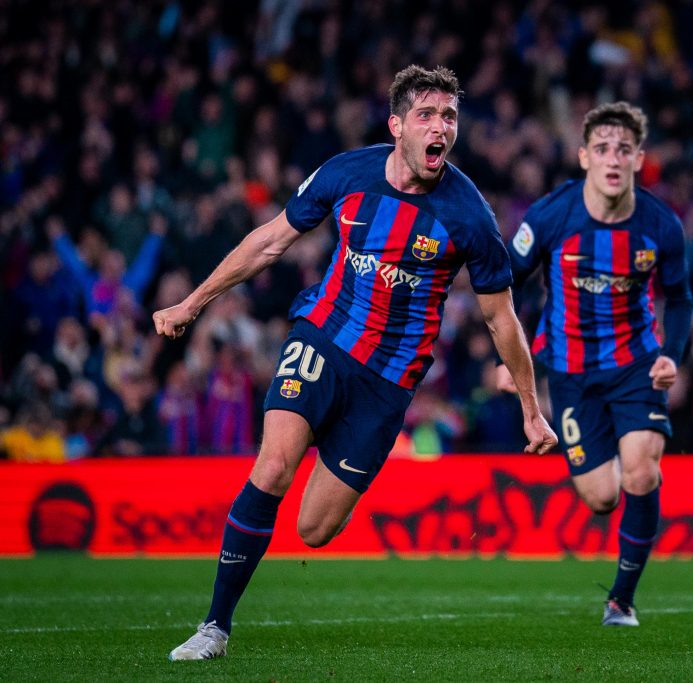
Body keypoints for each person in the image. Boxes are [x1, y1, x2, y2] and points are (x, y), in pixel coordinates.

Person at [154, 65, 557, 660]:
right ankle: (214, 627)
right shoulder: (347, 173)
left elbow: (502, 319)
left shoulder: (469, 215)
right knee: (273, 465)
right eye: (426, 114)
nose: (439, 125)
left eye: (448, 116)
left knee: (313, 530)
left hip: (388, 383)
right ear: (397, 125)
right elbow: (269, 241)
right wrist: (191, 303)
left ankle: (306, 503)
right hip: (322, 340)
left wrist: (531, 409)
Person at [495, 101, 693, 626]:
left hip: (636, 366)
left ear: (638, 159)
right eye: (602, 148)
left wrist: (672, 354)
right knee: (602, 498)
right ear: (584, 157)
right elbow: (505, 282)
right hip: (571, 373)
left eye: (623, 149)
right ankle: (616, 502)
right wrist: (511, 360)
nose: (613, 158)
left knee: (642, 470)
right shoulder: (549, 216)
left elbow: (682, 298)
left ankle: (621, 600)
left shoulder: (660, 226)